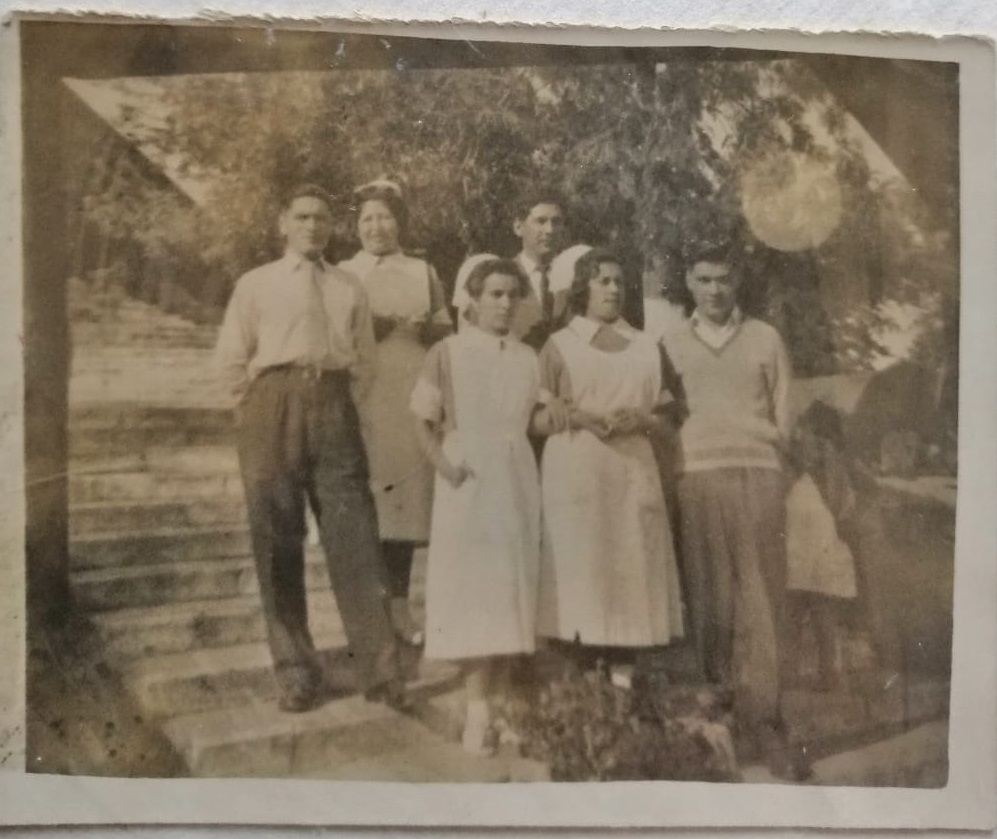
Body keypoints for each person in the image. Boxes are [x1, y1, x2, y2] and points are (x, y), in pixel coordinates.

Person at [214, 183, 406, 713]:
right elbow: (231, 359)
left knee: (355, 534)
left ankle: (381, 670)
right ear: (283, 223)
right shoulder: (257, 284)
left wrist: (339, 406)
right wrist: (258, 412)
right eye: (302, 217)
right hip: (272, 403)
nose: (313, 226)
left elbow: (365, 361)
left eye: (322, 218)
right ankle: (295, 670)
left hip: (334, 405)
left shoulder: (348, 285)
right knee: (277, 537)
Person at [662, 241, 798, 773]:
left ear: (736, 280)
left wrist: (772, 460)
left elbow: (785, 409)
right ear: (689, 283)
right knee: (709, 600)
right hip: (698, 476)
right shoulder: (670, 342)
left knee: (761, 600)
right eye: (704, 279)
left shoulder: (765, 337)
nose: (714, 290)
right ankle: (720, 721)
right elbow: (663, 414)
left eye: (723, 279)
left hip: (757, 474)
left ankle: (766, 723)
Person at [411, 257, 556, 754]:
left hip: (516, 477)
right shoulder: (448, 352)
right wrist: (447, 468)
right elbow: (422, 421)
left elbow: (533, 421)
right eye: (495, 293)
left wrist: (559, 413)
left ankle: (506, 706)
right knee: (475, 594)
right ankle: (477, 712)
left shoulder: (528, 357)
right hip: (468, 477)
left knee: (512, 588)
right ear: (472, 299)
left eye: (513, 294)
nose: (505, 303)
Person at [535, 248, 686, 682]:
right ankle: (582, 680)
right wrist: (578, 417)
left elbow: (670, 419)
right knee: (582, 568)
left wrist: (642, 420)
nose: (613, 289)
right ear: (583, 288)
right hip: (576, 471)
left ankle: (623, 680)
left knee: (630, 566)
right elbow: (536, 420)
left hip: (632, 470)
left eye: (619, 281)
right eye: (603, 280)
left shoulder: (647, 346)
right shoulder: (560, 345)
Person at [338, 179, 453, 646]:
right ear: (356, 226)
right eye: (367, 218)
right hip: (364, 393)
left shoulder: (422, 270)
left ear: (399, 222)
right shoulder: (344, 273)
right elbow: (330, 330)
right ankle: (369, 614)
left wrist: (425, 329)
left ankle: (401, 609)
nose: (376, 226)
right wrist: (372, 326)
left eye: (384, 216)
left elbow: (446, 329)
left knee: (403, 504)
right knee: (366, 503)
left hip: (409, 390)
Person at [784, 400, 860, 692]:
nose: (803, 439)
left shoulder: (832, 472)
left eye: (809, 433)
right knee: (793, 616)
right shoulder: (796, 472)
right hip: (797, 554)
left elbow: (842, 508)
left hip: (821, 553)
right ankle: (791, 672)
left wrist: (826, 464)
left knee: (822, 618)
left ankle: (830, 673)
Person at [452, 190, 568, 349]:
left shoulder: (574, 276)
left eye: (556, 222)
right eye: (541, 221)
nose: (550, 230)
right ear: (518, 227)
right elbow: (472, 341)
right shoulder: (495, 277)